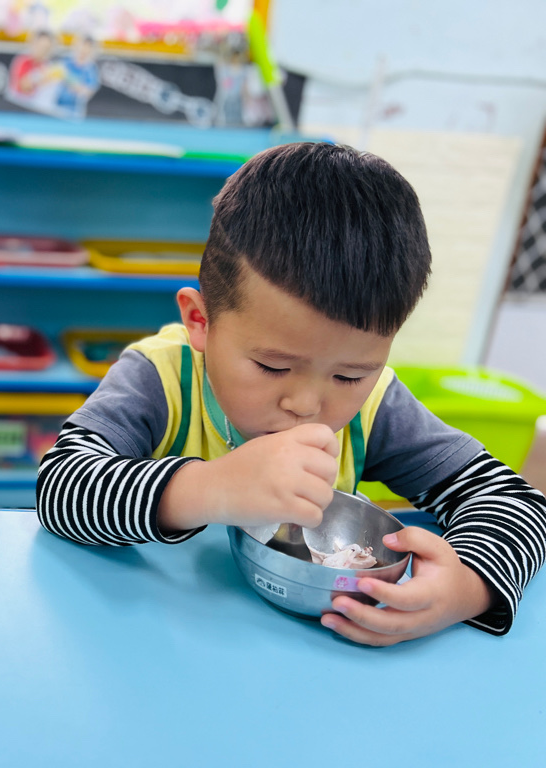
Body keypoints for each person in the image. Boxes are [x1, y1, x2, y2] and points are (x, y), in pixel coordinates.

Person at [36, 142, 546, 645]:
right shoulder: (162, 377)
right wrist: (208, 489)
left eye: (349, 376)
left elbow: (515, 501)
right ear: (200, 321)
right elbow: (60, 486)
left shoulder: (377, 405)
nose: (306, 404)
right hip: (151, 639)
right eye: (272, 366)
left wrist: (469, 588)